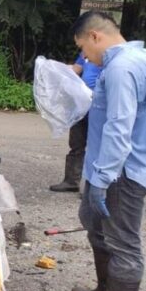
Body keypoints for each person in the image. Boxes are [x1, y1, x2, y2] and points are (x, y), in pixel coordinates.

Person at [69, 11, 146, 291]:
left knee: (124, 246)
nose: (85, 57)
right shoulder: (140, 58)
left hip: (119, 174)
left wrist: (104, 178)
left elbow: (119, 127)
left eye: (84, 48)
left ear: (95, 36)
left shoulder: (122, 67)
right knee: (94, 224)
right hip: (109, 168)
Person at [50, 51, 101, 192]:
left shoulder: (107, 55)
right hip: (81, 108)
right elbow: (76, 69)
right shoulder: (86, 52)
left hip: (98, 109)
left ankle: (94, 189)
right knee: (76, 145)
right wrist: (54, 68)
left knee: (97, 148)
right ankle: (71, 181)